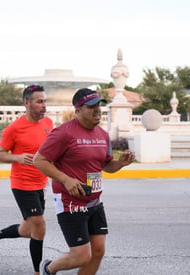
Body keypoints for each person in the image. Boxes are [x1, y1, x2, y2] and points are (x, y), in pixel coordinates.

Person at [33, 88, 135, 275]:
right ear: (78, 111)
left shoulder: (102, 135)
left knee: (97, 251)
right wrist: (66, 179)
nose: (97, 110)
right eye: (91, 107)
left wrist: (120, 163)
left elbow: (106, 165)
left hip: (95, 202)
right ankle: (48, 268)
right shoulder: (63, 133)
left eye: (98, 105)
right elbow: (38, 160)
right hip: (70, 202)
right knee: (81, 256)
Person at [0, 84, 53, 275]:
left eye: (45, 101)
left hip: (41, 183)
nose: (44, 105)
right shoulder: (14, 129)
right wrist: (18, 157)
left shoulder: (48, 124)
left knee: (28, 230)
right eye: (39, 102)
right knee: (39, 226)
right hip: (23, 184)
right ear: (27, 103)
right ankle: (39, 272)